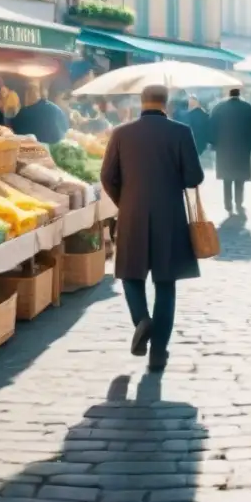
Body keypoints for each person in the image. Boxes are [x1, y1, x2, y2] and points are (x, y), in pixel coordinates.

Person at [100, 84, 204, 372]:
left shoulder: (121, 133)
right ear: (166, 104)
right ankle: (158, 353)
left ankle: (142, 321)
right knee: (165, 283)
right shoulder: (181, 132)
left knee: (130, 275)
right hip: (170, 214)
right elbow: (194, 177)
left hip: (132, 213)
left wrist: (125, 201)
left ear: (141, 102)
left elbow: (107, 176)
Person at [209, 88, 251, 214]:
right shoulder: (247, 107)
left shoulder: (219, 107)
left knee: (227, 178)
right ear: (239, 94)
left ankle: (227, 204)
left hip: (224, 148)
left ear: (228, 94)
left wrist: (214, 144)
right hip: (242, 148)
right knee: (240, 178)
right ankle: (239, 202)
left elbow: (211, 127)